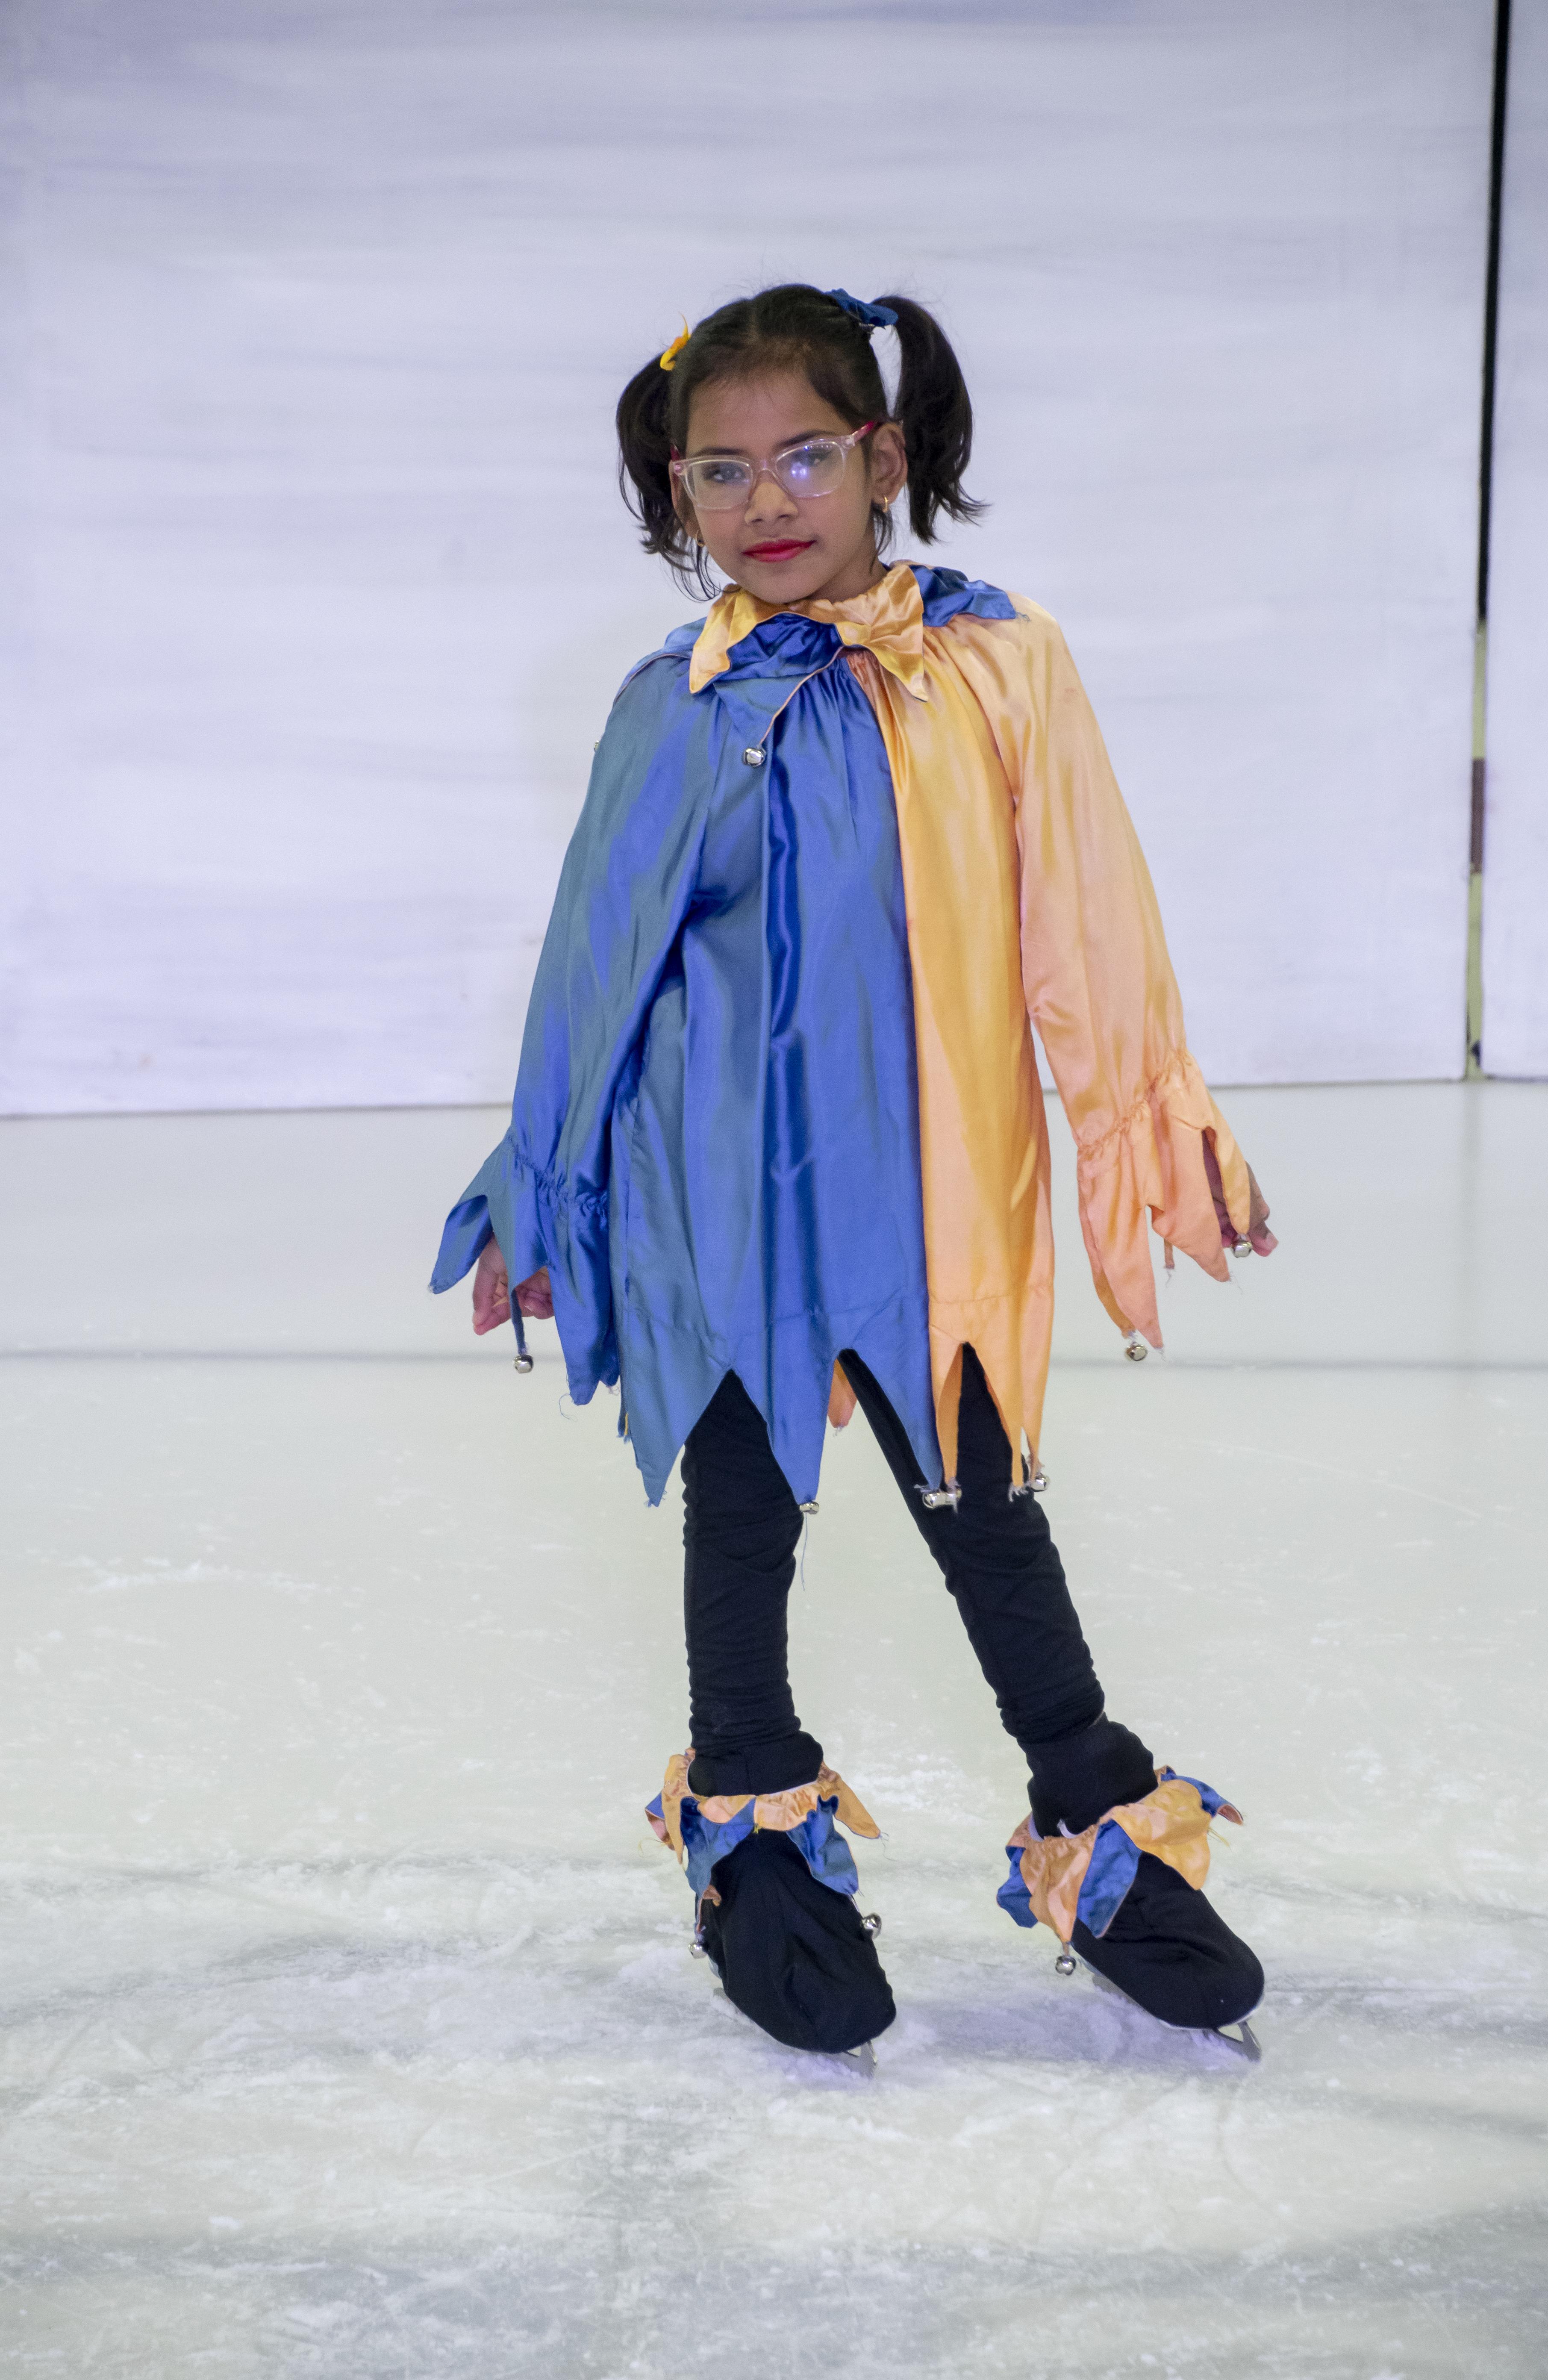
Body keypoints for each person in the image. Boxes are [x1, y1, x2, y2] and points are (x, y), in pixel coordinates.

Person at [431, 284, 1277, 2062]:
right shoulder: (674, 705)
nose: (767, 501)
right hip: (717, 1195)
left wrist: (1146, 1118)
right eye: (720, 472)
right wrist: (547, 1182)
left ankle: (1089, 1802)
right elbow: (593, 961)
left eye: (806, 456)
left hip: (929, 1198)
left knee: (984, 1507)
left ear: (884, 458)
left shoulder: (999, 665)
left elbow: (1088, 913)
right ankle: (751, 1826)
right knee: (740, 1505)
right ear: (677, 492)